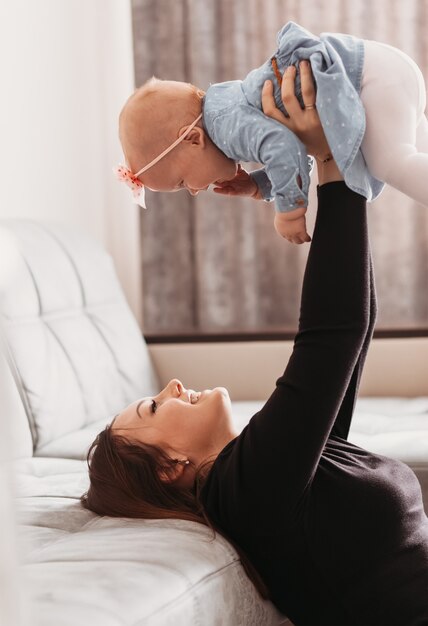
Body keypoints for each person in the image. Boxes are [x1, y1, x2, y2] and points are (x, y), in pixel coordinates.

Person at [85, 68, 428, 625]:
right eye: (152, 406)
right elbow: (330, 338)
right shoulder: (245, 492)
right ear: (171, 466)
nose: (170, 386)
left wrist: (341, 168)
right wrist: (331, 165)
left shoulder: (280, 470)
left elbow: (353, 332)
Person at [114, 21, 428, 244]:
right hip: (382, 66)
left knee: (392, 163)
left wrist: (289, 212)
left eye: (183, 183)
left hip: (367, 77)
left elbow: (283, 147)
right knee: (415, 157)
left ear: (192, 139)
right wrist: (256, 185)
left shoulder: (226, 127)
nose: (195, 191)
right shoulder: (228, 110)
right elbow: (291, 151)